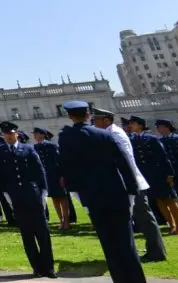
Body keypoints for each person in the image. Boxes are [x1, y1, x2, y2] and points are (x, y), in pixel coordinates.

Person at [59, 101, 144, 283]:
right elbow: (124, 163)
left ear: (70, 116)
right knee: (126, 242)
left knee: (108, 243)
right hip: (116, 193)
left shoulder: (66, 138)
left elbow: (67, 169)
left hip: (92, 197)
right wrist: (131, 191)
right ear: (88, 115)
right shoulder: (104, 135)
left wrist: (78, 193)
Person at [92, 108, 166, 263]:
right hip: (126, 181)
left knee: (144, 217)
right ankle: (152, 249)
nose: (93, 123)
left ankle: (157, 252)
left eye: (96, 120)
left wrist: (130, 183)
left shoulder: (115, 134)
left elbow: (126, 160)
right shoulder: (110, 133)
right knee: (139, 217)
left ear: (106, 120)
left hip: (130, 182)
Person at [0, 122, 55, 277]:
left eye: (11, 133)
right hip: (16, 196)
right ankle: (36, 267)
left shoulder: (28, 148)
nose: (8, 136)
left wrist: (44, 192)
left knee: (42, 232)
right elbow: (0, 176)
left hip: (32, 194)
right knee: (26, 233)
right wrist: (7, 195)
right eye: (5, 134)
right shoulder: (1, 152)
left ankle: (48, 267)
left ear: (17, 133)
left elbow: (39, 170)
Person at [125, 116, 178, 236]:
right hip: (146, 174)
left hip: (159, 172)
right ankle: (171, 224)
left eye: (133, 123)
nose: (131, 125)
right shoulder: (132, 139)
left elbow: (163, 156)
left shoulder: (152, 138)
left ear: (140, 125)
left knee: (169, 199)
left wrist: (170, 173)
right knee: (159, 200)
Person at [32, 128, 70, 231]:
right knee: (54, 198)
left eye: (36, 134)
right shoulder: (35, 147)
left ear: (42, 135)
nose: (34, 136)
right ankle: (61, 220)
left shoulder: (52, 146)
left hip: (56, 175)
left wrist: (62, 175)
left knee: (62, 197)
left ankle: (66, 220)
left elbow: (59, 161)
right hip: (46, 176)